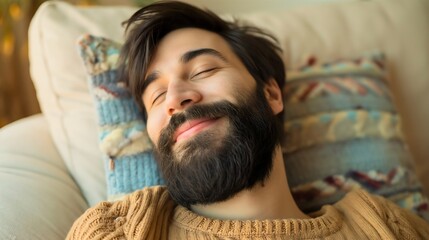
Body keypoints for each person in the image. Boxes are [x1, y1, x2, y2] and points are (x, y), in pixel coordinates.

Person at [67, 1, 429, 239]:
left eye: (203, 69)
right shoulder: (121, 230)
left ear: (271, 94)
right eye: (157, 96)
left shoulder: (384, 226)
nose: (176, 98)